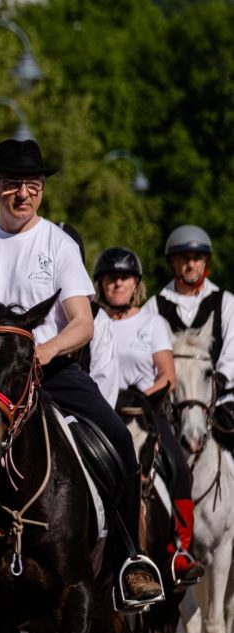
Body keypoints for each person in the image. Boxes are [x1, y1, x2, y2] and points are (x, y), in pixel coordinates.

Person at [0, 138, 163, 608]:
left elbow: (81, 320)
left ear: (41, 190)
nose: (24, 193)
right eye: (14, 184)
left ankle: (129, 561)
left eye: (33, 185)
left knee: (120, 442)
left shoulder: (57, 244)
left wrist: (44, 351)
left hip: (48, 370)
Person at [93, 247, 204, 585]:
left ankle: (180, 551)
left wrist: (140, 399)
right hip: (102, 414)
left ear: (136, 284)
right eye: (110, 278)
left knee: (177, 466)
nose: (117, 283)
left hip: (143, 415)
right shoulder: (92, 319)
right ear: (100, 283)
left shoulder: (152, 322)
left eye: (124, 277)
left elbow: (167, 376)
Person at [145, 225, 234, 450]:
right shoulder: (154, 306)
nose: (191, 264)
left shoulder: (226, 302)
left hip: (221, 401)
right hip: (171, 404)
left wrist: (219, 380)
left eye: (197, 258)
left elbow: (233, 349)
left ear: (206, 261)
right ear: (172, 262)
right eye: (184, 258)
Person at [58, 222, 120, 408]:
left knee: (122, 437)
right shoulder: (24, 313)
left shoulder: (98, 318)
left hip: (82, 411)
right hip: (29, 412)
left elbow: (104, 383)